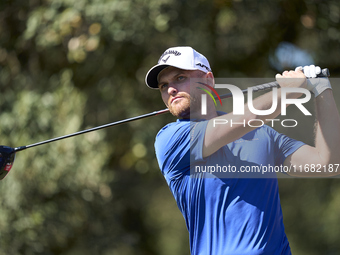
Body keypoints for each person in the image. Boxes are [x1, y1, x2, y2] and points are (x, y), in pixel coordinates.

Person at [145, 46, 340, 254]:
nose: (171, 89)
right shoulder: (170, 139)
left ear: (208, 80)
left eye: (180, 77)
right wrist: (289, 91)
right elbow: (247, 119)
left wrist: (321, 89)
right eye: (163, 86)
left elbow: (328, 164)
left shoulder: (262, 134)